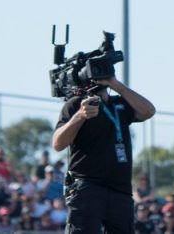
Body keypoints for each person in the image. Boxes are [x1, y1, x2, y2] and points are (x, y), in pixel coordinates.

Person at [52, 74, 155, 234]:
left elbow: (148, 111)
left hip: (121, 189)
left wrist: (115, 84)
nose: (100, 76)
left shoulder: (119, 103)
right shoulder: (77, 104)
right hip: (87, 186)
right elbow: (58, 144)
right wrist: (79, 116)